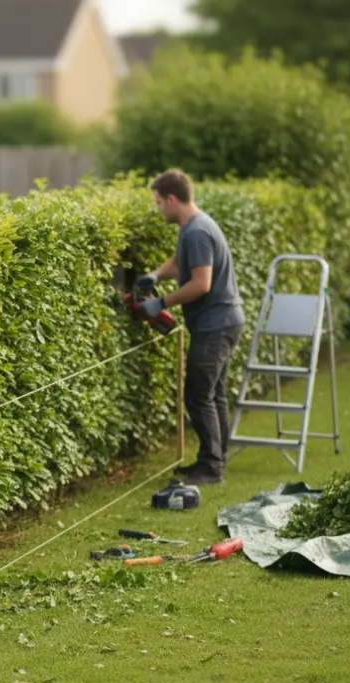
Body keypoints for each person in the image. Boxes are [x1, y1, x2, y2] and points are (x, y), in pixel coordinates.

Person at [134, 169, 246, 485]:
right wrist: (155, 275)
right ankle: (214, 461)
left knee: (199, 396)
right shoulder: (194, 226)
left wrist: (160, 303)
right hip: (225, 322)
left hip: (215, 325)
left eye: (158, 203)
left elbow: (201, 283)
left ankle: (211, 468)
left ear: (172, 199)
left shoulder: (196, 232)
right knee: (215, 395)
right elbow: (182, 262)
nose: (158, 210)